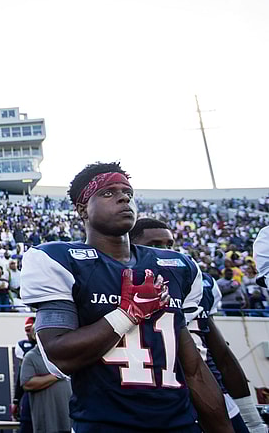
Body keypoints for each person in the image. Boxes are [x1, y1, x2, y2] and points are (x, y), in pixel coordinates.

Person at [19, 162, 232, 433]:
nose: (123, 198)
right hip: (104, 425)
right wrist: (126, 314)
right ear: (82, 208)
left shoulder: (176, 267)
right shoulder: (60, 260)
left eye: (127, 192)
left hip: (179, 424)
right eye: (108, 193)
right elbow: (59, 356)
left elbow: (194, 371)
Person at [132, 218, 266, 433]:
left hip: (208, 390)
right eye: (155, 245)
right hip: (149, 397)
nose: (165, 251)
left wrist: (250, 416)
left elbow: (220, 354)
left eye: (169, 244)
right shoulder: (115, 282)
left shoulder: (197, 282)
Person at [19, 323, 72, 433]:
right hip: (47, 422)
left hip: (69, 419)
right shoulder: (31, 357)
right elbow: (27, 384)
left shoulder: (66, 354)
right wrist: (56, 375)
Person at [12, 317, 36, 433]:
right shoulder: (24, 347)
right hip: (30, 392)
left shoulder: (52, 346)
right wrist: (16, 400)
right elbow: (22, 376)